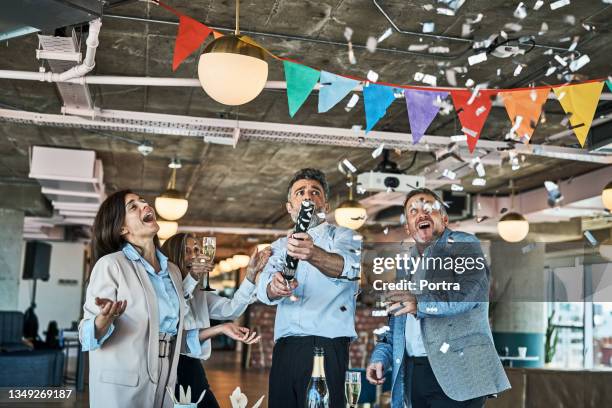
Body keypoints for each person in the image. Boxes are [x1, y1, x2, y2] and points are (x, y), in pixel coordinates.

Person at [366, 188, 510, 408]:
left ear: (444, 218)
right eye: (413, 211)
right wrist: (381, 356)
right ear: (408, 227)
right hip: (414, 374)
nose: (421, 214)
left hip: (459, 372)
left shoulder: (463, 245)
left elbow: (467, 295)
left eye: (429, 208)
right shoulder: (406, 264)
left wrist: (419, 303)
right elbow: (398, 323)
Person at [256, 168, 361, 408]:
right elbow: (263, 290)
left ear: (326, 204)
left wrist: (314, 254)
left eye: (315, 192)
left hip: (327, 347)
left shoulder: (345, 236)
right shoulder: (278, 246)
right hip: (285, 348)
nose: (307, 197)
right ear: (289, 206)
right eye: (300, 192)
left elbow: (350, 267)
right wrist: (275, 286)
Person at [79, 190, 192, 408]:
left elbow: (174, 331)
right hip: (124, 381)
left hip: (166, 376)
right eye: (133, 206)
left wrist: (222, 329)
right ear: (122, 228)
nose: (145, 206)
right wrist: (103, 320)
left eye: (144, 201)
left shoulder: (174, 272)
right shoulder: (111, 265)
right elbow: (86, 336)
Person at [161, 233, 271, 407]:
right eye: (187, 251)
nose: (194, 255)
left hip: (192, 365)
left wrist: (250, 276)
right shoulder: (163, 288)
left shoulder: (199, 291)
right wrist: (193, 277)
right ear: (173, 256)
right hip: (168, 367)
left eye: (197, 250)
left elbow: (231, 310)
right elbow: (177, 317)